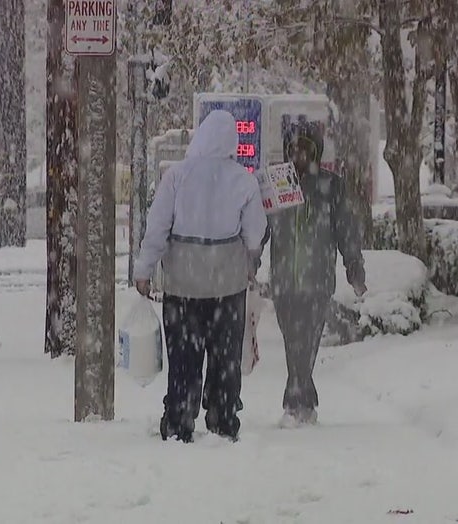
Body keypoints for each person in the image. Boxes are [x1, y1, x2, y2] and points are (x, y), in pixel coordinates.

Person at [133, 109, 268, 443]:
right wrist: (251, 260)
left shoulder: (177, 176)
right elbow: (254, 235)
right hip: (228, 286)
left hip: (183, 285)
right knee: (225, 358)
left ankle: (180, 417)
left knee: (184, 357)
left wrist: (144, 270)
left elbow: (158, 227)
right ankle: (222, 417)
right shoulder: (244, 180)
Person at [265, 121, 367, 427]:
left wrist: (354, 265)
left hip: (318, 279)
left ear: (315, 151)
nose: (298, 154)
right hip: (284, 279)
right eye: (293, 148)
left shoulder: (331, 186)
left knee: (307, 340)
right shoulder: (278, 183)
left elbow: (346, 229)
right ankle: (304, 399)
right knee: (290, 339)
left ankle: (294, 401)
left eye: (305, 148)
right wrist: (250, 256)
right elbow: (261, 226)